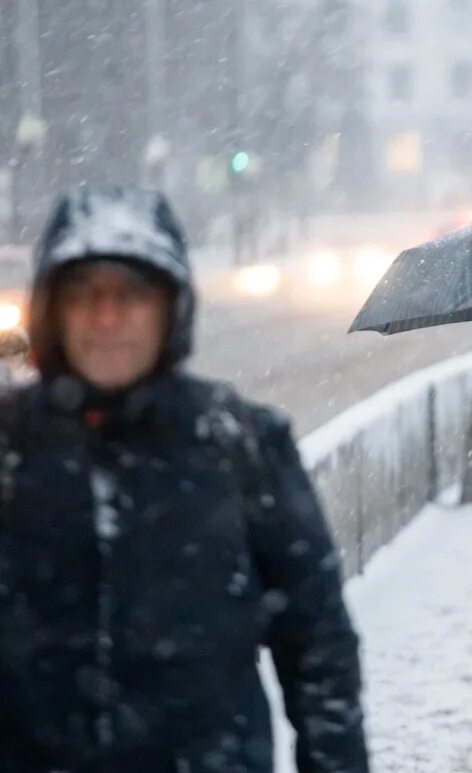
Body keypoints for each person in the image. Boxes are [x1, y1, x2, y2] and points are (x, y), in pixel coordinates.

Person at [0, 186, 370, 773]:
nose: (108, 318)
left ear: (171, 308)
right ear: (53, 311)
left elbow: (318, 649)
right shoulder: (8, 447)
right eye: (84, 295)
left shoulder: (241, 444)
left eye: (134, 295)